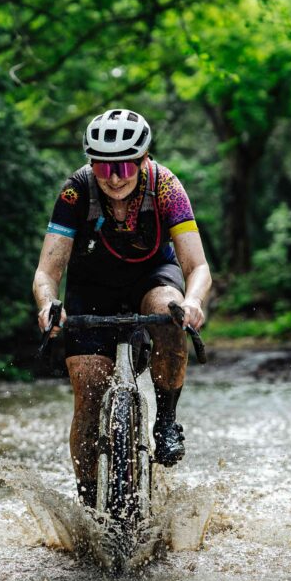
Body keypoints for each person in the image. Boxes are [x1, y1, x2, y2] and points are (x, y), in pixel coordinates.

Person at [32, 108, 212, 507]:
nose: (114, 177)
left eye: (126, 165)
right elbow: (47, 271)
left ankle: (166, 421)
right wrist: (48, 306)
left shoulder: (166, 187)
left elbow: (197, 266)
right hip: (91, 285)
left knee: (170, 312)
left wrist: (194, 301)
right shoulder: (75, 191)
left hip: (152, 276)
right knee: (89, 385)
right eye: (103, 165)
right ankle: (87, 499)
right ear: (90, 161)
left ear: (144, 160)